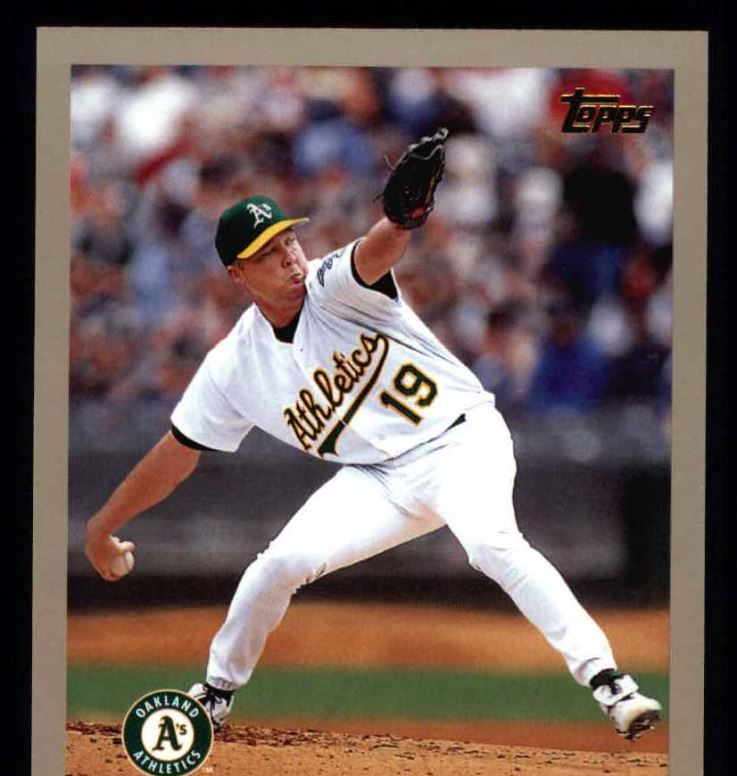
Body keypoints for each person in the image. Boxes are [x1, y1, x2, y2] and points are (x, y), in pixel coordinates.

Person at [84, 132, 662, 742]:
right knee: (280, 563)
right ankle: (216, 691)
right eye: (267, 253)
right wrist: (102, 527)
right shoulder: (233, 367)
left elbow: (375, 250)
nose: (289, 258)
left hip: (460, 440)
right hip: (377, 479)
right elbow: (176, 454)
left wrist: (402, 218)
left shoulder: (333, 285)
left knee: (491, 544)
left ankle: (610, 683)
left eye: (289, 240)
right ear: (237, 274)